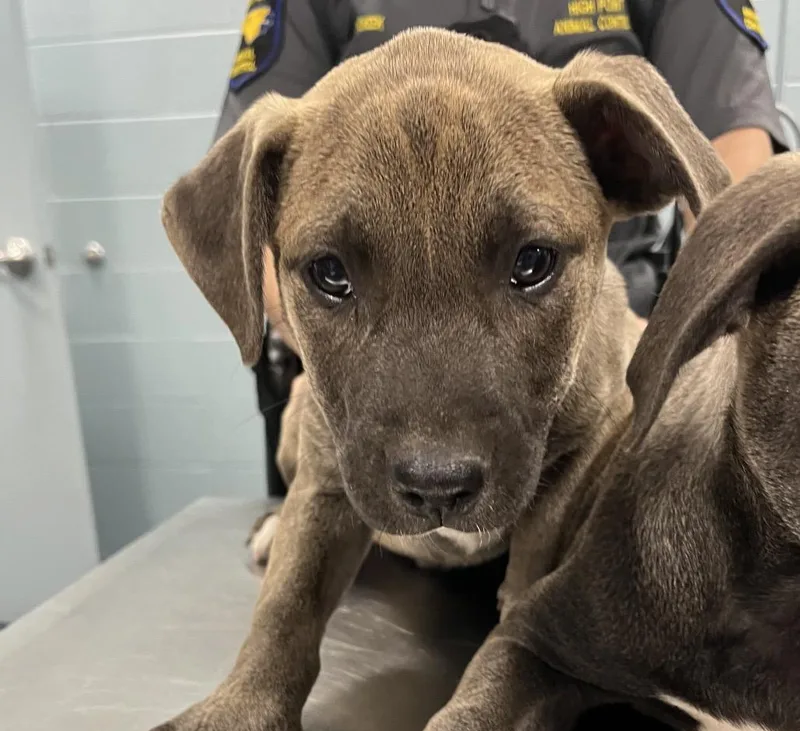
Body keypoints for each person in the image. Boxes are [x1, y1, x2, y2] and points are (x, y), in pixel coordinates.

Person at [216, 0, 786, 495]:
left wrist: (670, 355)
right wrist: (329, 363)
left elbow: (728, 193)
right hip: (367, 368)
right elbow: (251, 203)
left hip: (605, 330)